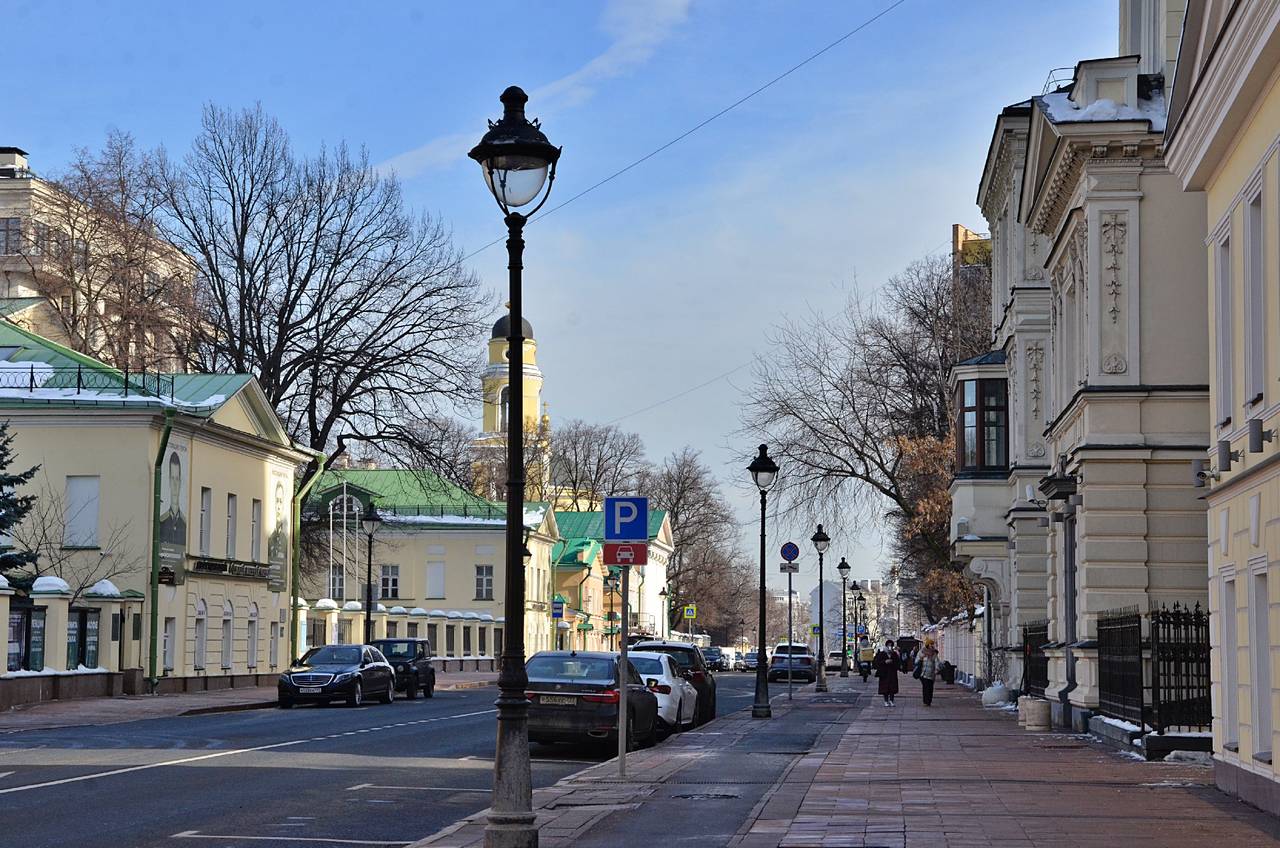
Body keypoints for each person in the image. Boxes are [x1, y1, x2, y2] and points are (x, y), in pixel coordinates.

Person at [872, 638, 900, 706]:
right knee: (885, 687)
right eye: (888, 645)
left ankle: (891, 700)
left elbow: (898, 663)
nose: (890, 647)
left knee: (892, 688)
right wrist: (885, 662)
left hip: (892, 673)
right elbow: (877, 662)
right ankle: (886, 701)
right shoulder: (882, 653)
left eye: (891, 645)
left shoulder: (894, 654)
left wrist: (893, 663)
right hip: (884, 673)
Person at [916, 639, 939, 706]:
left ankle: (929, 701)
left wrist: (937, 669)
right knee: (925, 687)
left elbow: (937, 661)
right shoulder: (921, 652)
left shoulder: (934, 653)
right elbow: (916, 661)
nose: (932, 645)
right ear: (927, 645)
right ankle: (925, 701)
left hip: (931, 674)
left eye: (932, 644)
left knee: (930, 688)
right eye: (931, 644)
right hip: (923, 673)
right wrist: (921, 658)